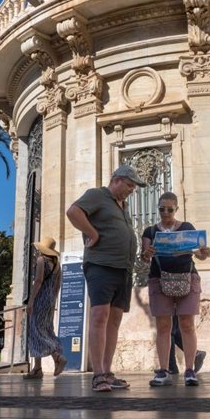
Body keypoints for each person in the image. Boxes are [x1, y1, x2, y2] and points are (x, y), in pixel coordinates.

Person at [66, 165, 146, 392]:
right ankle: (98, 375)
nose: (132, 190)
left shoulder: (123, 205)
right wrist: (93, 233)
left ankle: (108, 373)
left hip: (123, 269)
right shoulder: (97, 195)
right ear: (117, 179)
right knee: (100, 315)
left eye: (133, 187)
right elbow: (73, 212)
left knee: (115, 319)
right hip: (101, 264)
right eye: (130, 185)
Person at [141, 192, 210, 387]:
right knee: (163, 326)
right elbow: (144, 258)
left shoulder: (187, 228)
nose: (165, 212)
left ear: (176, 209)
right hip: (159, 279)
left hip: (187, 277)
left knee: (187, 324)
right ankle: (163, 370)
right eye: (162, 209)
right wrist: (147, 253)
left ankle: (190, 370)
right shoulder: (150, 231)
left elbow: (200, 254)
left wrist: (205, 253)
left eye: (169, 209)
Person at [23, 236, 68, 379]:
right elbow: (57, 286)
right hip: (50, 299)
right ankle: (37, 368)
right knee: (46, 329)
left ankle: (57, 356)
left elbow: (38, 281)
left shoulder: (41, 261)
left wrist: (31, 301)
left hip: (40, 298)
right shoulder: (57, 265)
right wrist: (52, 300)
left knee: (35, 330)